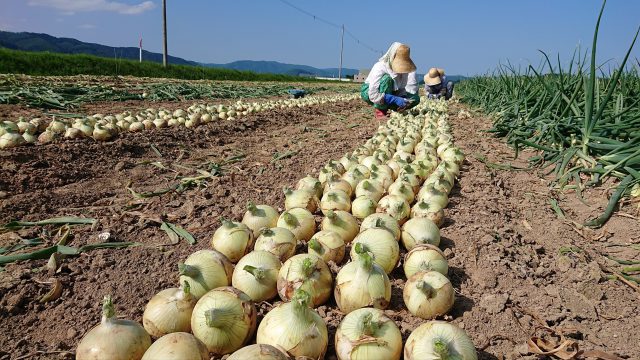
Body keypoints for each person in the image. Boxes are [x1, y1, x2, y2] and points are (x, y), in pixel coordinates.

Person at [360, 42, 420, 119]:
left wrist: (403, 98)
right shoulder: (380, 66)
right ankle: (380, 110)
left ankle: (399, 110)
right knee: (387, 79)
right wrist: (394, 99)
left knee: (415, 98)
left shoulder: (404, 71)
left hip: (390, 92)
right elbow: (373, 94)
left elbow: (401, 89)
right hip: (371, 92)